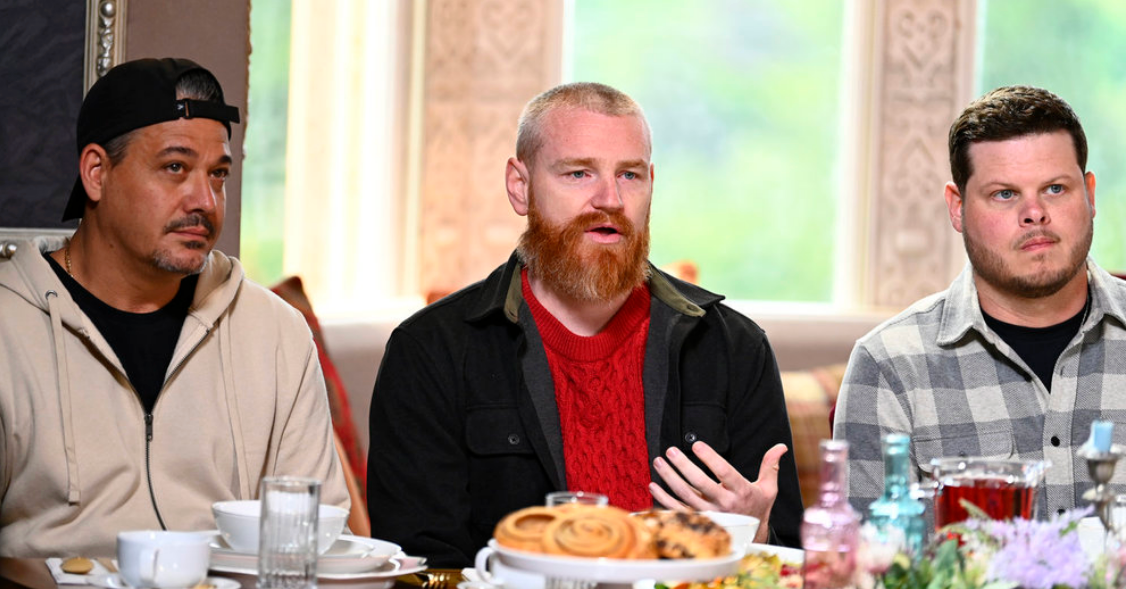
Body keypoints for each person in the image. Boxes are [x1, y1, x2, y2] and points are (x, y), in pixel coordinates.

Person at [368, 82, 803, 567]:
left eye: (630, 175)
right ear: (520, 186)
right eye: (578, 173)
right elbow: (421, 567)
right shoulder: (430, 351)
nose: (610, 199)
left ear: (651, 185)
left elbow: (793, 562)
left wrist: (757, 534)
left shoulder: (733, 348)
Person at [0, 58, 348, 557]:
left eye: (219, 174)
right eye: (175, 168)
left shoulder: (275, 335)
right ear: (97, 173)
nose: (205, 199)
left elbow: (320, 543)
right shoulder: (8, 327)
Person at [833, 85, 1126, 519]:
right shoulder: (890, 366)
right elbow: (863, 573)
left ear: (1089, 195)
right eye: (1004, 194)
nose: (1035, 213)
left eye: (1055, 189)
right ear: (957, 208)